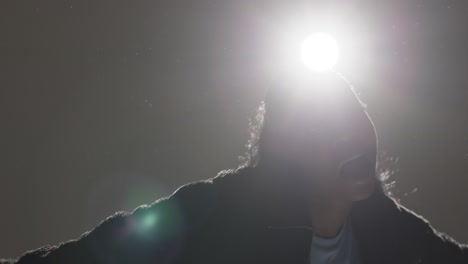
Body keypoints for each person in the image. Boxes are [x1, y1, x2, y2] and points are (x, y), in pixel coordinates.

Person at [3, 73, 467, 264]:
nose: (355, 138)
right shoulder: (213, 212)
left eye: (358, 120)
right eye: (328, 129)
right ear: (287, 151)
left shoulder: (398, 236)